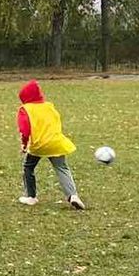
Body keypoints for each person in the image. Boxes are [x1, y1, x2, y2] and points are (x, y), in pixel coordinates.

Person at [17, 79, 85, 209]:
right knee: (62, 168)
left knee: (28, 167)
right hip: (56, 142)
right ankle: (73, 196)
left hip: (39, 145)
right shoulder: (49, 106)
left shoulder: (25, 109)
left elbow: (25, 130)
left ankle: (31, 197)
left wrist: (24, 145)